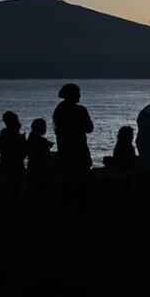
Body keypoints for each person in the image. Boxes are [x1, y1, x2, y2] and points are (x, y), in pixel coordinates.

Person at [52, 83, 94, 214]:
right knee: (83, 183)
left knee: (68, 181)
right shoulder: (80, 110)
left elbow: (57, 130)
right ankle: (83, 210)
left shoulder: (59, 110)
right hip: (79, 151)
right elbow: (89, 128)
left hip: (64, 151)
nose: (80, 95)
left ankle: (68, 209)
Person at [0, 111, 27, 226]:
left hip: (3, 169)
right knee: (14, 199)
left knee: (4, 198)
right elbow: (23, 154)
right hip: (17, 170)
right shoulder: (18, 137)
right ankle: (9, 223)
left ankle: (3, 222)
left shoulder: (3, 135)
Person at [25, 118, 53, 219]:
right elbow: (47, 156)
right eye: (44, 126)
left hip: (32, 170)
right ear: (40, 127)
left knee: (33, 196)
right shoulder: (41, 141)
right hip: (41, 171)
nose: (45, 129)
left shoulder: (30, 138)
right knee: (41, 195)